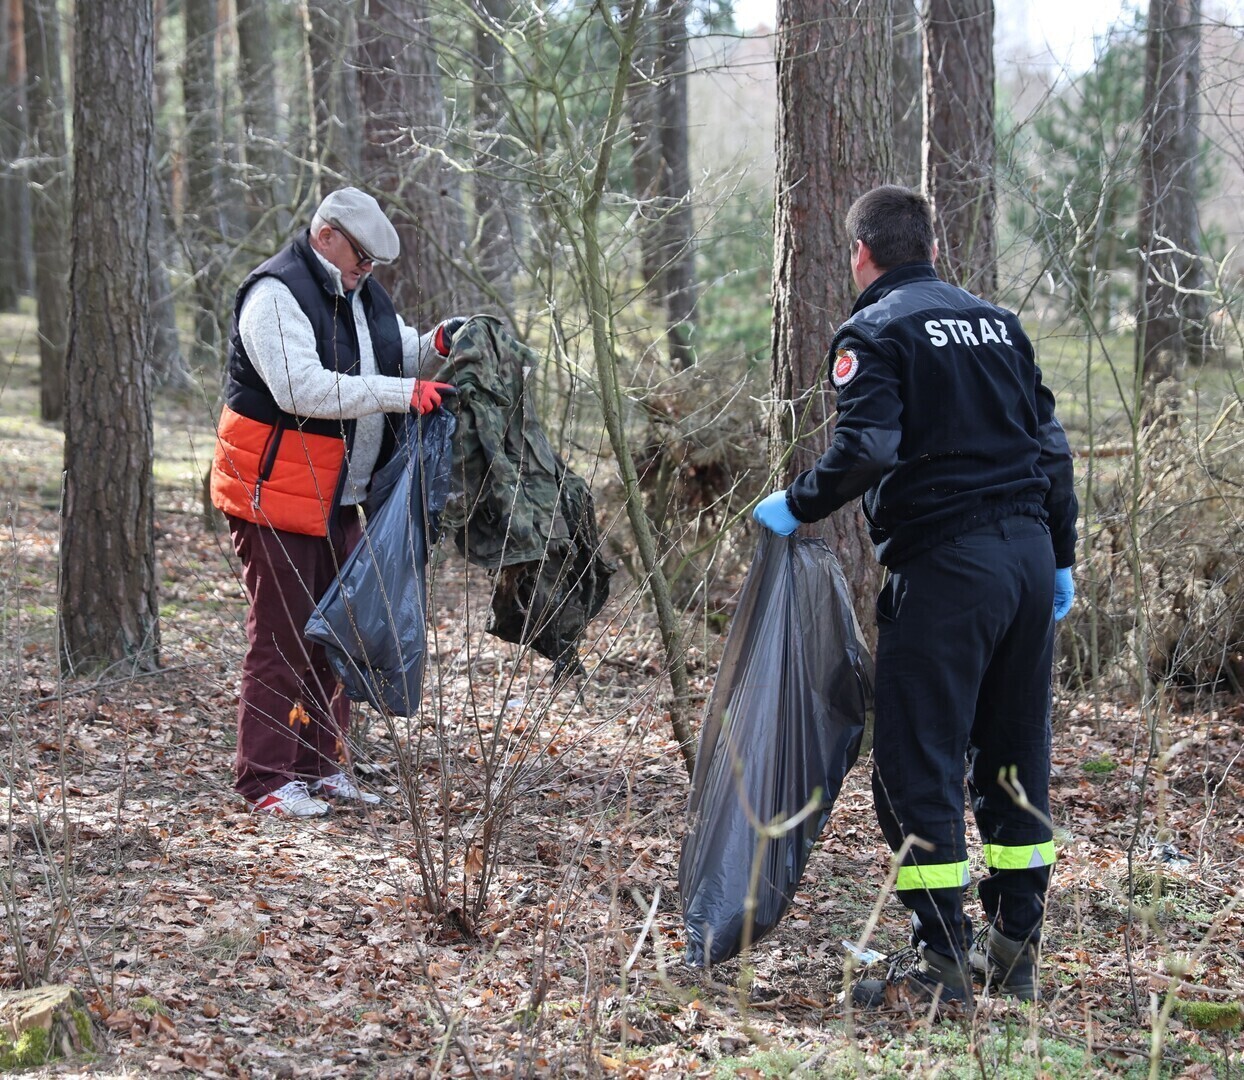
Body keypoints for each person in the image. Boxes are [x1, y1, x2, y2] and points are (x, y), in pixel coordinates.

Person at [753, 185, 1077, 1010]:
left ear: (862, 253)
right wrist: (1062, 557)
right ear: (931, 246)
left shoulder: (875, 329)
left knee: (916, 760)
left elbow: (867, 447)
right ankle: (1015, 945)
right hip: (1029, 559)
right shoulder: (997, 324)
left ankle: (940, 962)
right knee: (1014, 753)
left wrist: (796, 504)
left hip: (948, 567)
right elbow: (1052, 449)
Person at [211, 187, 463, 817]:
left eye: (374, 263)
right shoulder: (275, 294)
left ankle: (321, 766)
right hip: (277, 495)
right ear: (326, 235)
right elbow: (303, 389)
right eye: (360, 256)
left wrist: (436, 342)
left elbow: (396, 347)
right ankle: (265, 779)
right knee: (282, 637)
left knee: (336, 635)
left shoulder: (358, 292)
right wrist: (401, 392)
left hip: (339, 499)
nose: (367, 270)